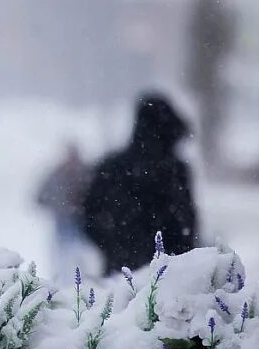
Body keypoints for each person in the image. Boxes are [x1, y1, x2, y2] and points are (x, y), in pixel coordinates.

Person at [82, 93, 199, 275]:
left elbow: (89, 217)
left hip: (120, 274)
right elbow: (187, 223)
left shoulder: (111, 167)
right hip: (169, 277)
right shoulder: (175, 171)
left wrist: (114, 247)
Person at [35, 142, 92, 280]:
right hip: (62, 223)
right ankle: (62, 278)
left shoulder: (86, 173)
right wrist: (55, 204)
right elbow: (40, 196)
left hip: (81, 224)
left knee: (79, 254)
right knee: (61, 256)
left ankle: (79, 278)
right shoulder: (56, 174)